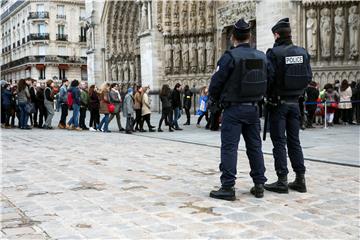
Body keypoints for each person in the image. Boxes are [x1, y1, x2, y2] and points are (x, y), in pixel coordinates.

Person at [208, 18, 268, 201]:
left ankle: (228, 186)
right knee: (255, 147)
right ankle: (259, 184)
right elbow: (269, 79)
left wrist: (216, 101)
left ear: (233, 37)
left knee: (229, 148)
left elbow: (215, 84)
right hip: (253, 109)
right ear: (249, 36)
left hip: (233, 109)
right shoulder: (261, 56)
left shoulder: (229, 57)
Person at [264, 18, 312, 194]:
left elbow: (268, 78)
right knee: (294, 141)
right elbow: (308, 77)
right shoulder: (302, 52)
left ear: (277, 34)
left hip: (278, 103)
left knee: (279, 142)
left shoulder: (274, 53)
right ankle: (300, 178)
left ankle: (282, 180)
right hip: (295, 103)